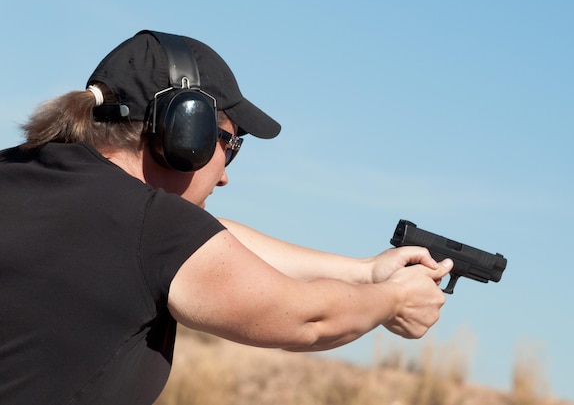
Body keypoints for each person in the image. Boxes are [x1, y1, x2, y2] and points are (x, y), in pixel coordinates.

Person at [0, 30, 452, 404]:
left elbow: (211, 241)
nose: (223, 178)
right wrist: (393, 301)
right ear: (185, 131)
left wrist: (365, 272)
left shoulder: (24, 176)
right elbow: (308, 320)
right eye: (228, 145)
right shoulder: (151, 228)